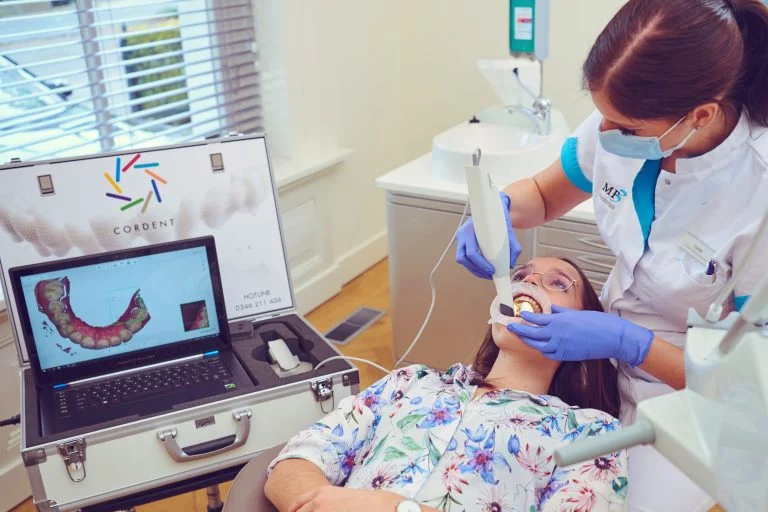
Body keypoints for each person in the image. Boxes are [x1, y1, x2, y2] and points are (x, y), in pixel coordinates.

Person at [455, 0, 768, 510]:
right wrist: (501, 208)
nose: (603, 134)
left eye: (624, 127)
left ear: (702, 114)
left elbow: (746, 376)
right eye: (602, 116)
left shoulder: (760, 194)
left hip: (692, 395)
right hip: (601, 360)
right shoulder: (625, 117)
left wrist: (630, 342)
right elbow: (545, 191)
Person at [265, 257, 628, 512]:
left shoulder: (592, 434)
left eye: (558, 283)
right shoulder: (411, 382)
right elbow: (295, 461)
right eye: (522, 274)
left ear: (584, 332)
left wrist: (398, 509)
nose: (530, 282)